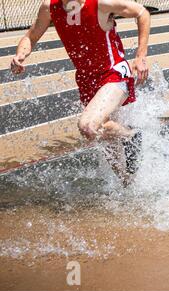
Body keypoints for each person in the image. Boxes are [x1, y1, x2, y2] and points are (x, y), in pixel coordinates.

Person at [10, 0, 151, 186]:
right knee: (102, 134)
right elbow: (31, 36)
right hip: (87, 80)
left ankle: (131, 136)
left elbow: (142, 13)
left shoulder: (100, 3)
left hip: (114, 73)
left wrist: (140, 57)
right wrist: (21, 54)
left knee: (88, 126)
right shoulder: (49, 7)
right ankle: (129, 184)